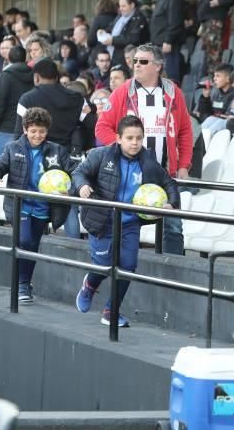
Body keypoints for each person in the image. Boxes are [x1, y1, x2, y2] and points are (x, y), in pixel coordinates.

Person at [73, 116, 180, 327]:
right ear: (118, 138)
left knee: (128, 267)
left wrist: (172, 204)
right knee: (103, 265)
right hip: (102, 219)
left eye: (139, 138)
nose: (135, 143)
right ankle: (90, 285)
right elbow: (79, 173)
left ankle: (111, 311)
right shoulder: (101, 155)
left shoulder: (148, 160)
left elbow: (169, 183)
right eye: (129, 138)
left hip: (130, 223)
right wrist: (82, 186)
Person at [95, 44, 193, 255]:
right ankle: (119, 265)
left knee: (173, 227)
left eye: (143, 61)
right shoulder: (123, 92)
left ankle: (173, 275)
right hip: (130, 171)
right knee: (125, 223)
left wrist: (184, 164)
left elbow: (185, 131)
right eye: (135, 61)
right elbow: (101, 128)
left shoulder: (173, 92)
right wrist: (123, 148)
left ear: (157, 66)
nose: (136, 65)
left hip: (166, 172)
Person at [0, 107, 72, 303]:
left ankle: (25, 283)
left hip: (42, 208)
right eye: (33, 131)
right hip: (21, 204)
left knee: (32, 246)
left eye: (41, 131)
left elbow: (73, 172)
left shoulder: (57, 150)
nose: (37, 135)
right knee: (23, 241)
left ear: (47, 131)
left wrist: (71, 188)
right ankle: (21, 284)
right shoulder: (13, 147)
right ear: (25, 129)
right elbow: (0, 164)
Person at [0, 46, 33, 160]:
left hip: (6, 129)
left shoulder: (5, 75)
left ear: (8, 58)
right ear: (25, 57)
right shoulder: (34, 75)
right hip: (29, 129)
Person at [146, 0, 186, 84]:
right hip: (160, 44)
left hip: (168, 44)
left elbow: (175, 19)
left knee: (170, 77)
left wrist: (168, 40)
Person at [102, 0, 150, 67]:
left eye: (123, 6)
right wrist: (103, 31)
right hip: (113, 55)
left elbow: (133, 38)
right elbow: (110, 28)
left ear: (132, 5)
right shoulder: (119, 17)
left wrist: (113, 40)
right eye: (120, 6)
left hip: (126, 58)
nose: (120, 9)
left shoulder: (139, 19)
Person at [197, 64, 234, 134]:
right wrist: (205, 97)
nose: (214, 79)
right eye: (214, 76)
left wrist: (214, 116)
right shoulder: (216, 93)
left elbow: (228, 116)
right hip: (211, 124)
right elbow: (204, 115)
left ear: (228, 79)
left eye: (218, 76)